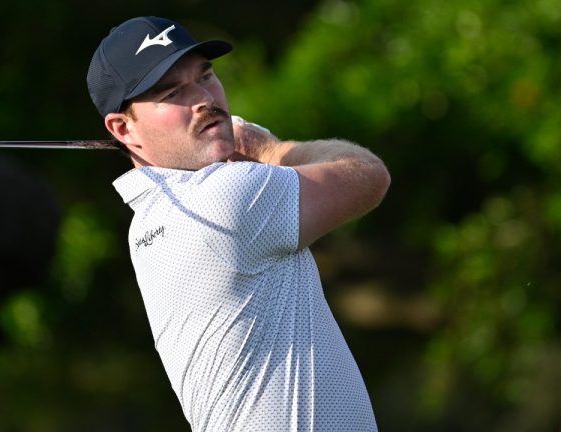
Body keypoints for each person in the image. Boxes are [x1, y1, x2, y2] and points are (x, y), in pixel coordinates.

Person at [87, 16, 390, 431]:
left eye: (206, 76)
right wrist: (267, 147)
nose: (203, 99)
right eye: (173, 92)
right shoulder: (228, 196)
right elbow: (368, 176)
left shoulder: (147, 226)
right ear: (123, 129)